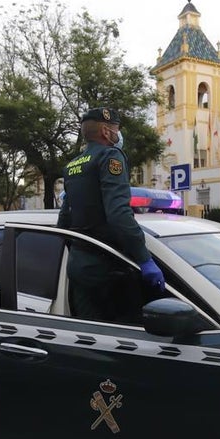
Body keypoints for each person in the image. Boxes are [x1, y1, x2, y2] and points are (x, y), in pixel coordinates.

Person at [57, 106, 165, 321]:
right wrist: (144, 259)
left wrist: (80, 250)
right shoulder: (110, 156)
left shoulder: (72, 166)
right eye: (117, 129)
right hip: (108, 268)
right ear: (107, 132)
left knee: (89, 334)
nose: (119, 134)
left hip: (79, 267)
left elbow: (64, 221)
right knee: (120, 339)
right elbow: (119, 215)